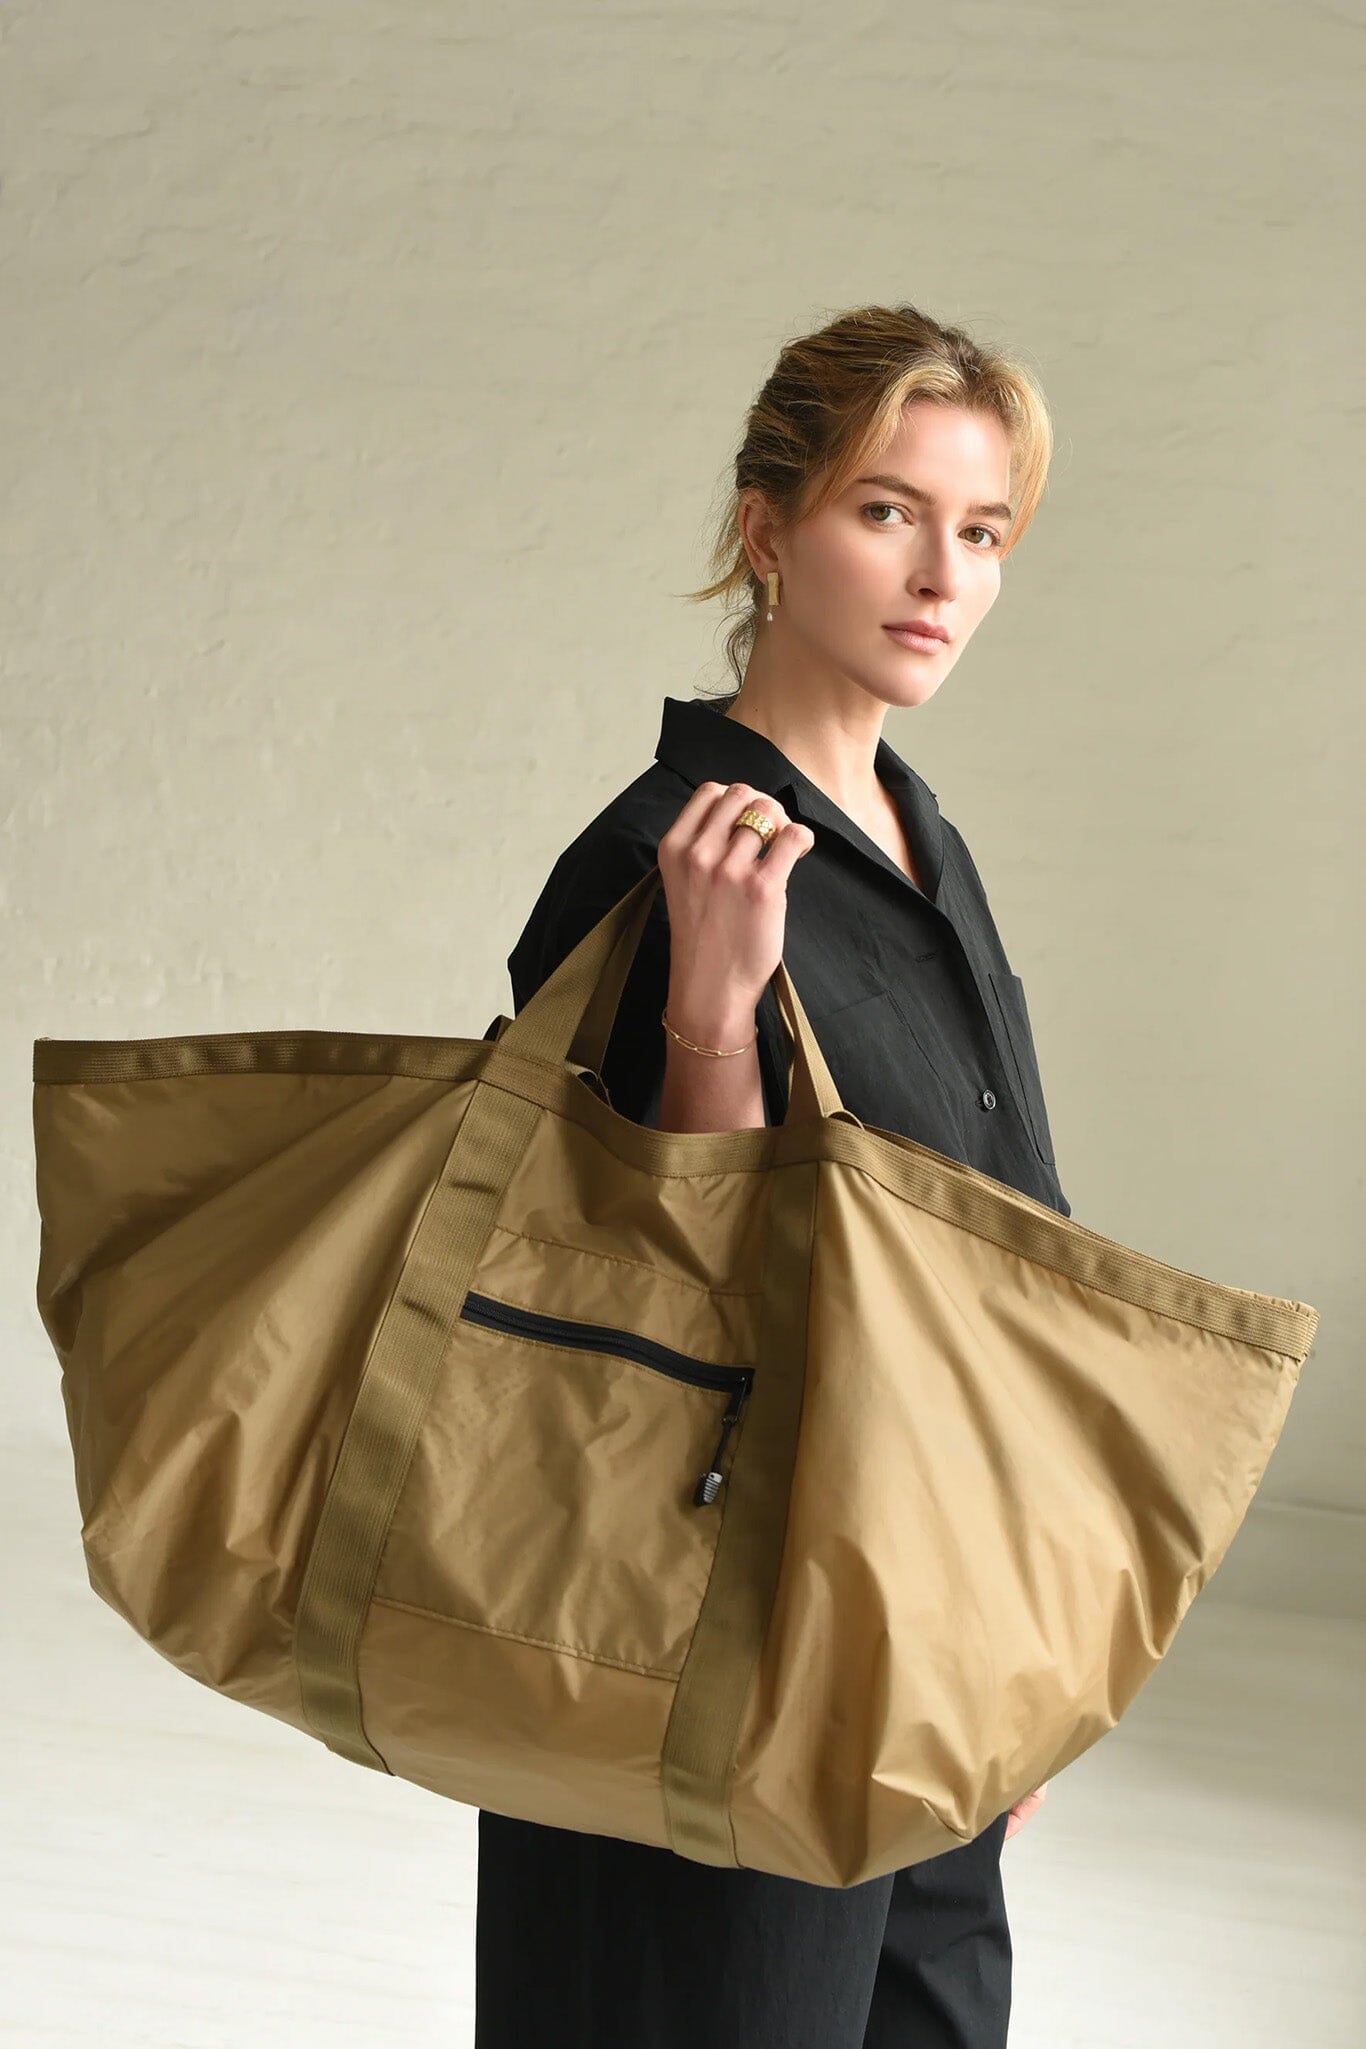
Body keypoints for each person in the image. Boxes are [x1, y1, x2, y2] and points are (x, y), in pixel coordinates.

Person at [475, 301, 1067, 2048]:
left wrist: (1015, 1663)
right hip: (711, 1664)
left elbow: (998, 1260)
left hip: (920, 1636)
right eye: (886, 511)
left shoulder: (916, 839)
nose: (938, 575)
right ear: (765, 527)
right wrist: (714, 1018)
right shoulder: (656, 855)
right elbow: (617, 1305)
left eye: (980, 531)